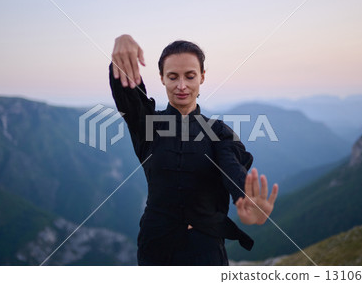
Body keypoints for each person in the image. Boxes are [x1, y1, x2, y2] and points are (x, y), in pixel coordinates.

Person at [109, 34, 278, 265]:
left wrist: (247, 200)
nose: (181, 86)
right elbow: (128, 94)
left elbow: (231, 169)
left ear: (202, 77)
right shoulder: (147, 125)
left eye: (190, 76)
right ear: (162, 79)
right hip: (155, 250)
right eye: (172, 77)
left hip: (205, 252)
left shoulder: (219, 132)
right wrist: (123, 41)